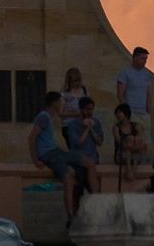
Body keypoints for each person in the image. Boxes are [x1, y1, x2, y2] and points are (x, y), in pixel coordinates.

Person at [28, 92, 99, 227]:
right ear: (55, 103)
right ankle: (71, 216)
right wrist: (35, 160)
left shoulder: (48, 117)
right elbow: (32, 137)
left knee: (89, 164)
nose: (62, 105)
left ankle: (95, 199)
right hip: (50, 154)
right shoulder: (43, 116)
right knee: (68, 178)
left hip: (55, 151)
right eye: (61, 102)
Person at [116, 46, 152, 144]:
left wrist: (149, 110)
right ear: (135, 58)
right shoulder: (125, 73)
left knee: (145, 141)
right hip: (132, 113)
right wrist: (126, 113)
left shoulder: (146, 74)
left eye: (146, 59)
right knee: (132, 141)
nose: (144, 61)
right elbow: (120, 94)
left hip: (143, 113)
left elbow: (148, 93)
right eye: (142, 58)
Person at [113, 103, 148, 180]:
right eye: (117, 113)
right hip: (121, 153)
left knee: (138, 145)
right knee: (129, 143)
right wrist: (129, 143)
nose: (117, 115)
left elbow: (140, 141)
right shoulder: (116, 127)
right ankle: (129, 170)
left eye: (119, 113)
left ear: (125, 113)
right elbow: (119, 142)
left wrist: (132, 146)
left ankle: (132, 172)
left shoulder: (136, 126)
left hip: (135, 152)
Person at [67, 97, 104, 164]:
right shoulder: (72, 124)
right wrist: (87, 129)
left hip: (93, 159)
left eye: (91, 109)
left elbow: (100, 142)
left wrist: (91, 129)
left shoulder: (96, 122)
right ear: (81, 109)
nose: (90, 112)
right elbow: (77, 144)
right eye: (87, 109)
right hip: (78, 160)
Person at [59, 68, 88, 149]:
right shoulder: (65, 94)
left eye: (78, 80)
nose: (77, 83)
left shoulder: (84, 91)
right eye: (75, 81)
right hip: (69, 125)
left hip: (82, 124)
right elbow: (60, 113)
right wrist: (76, 114)